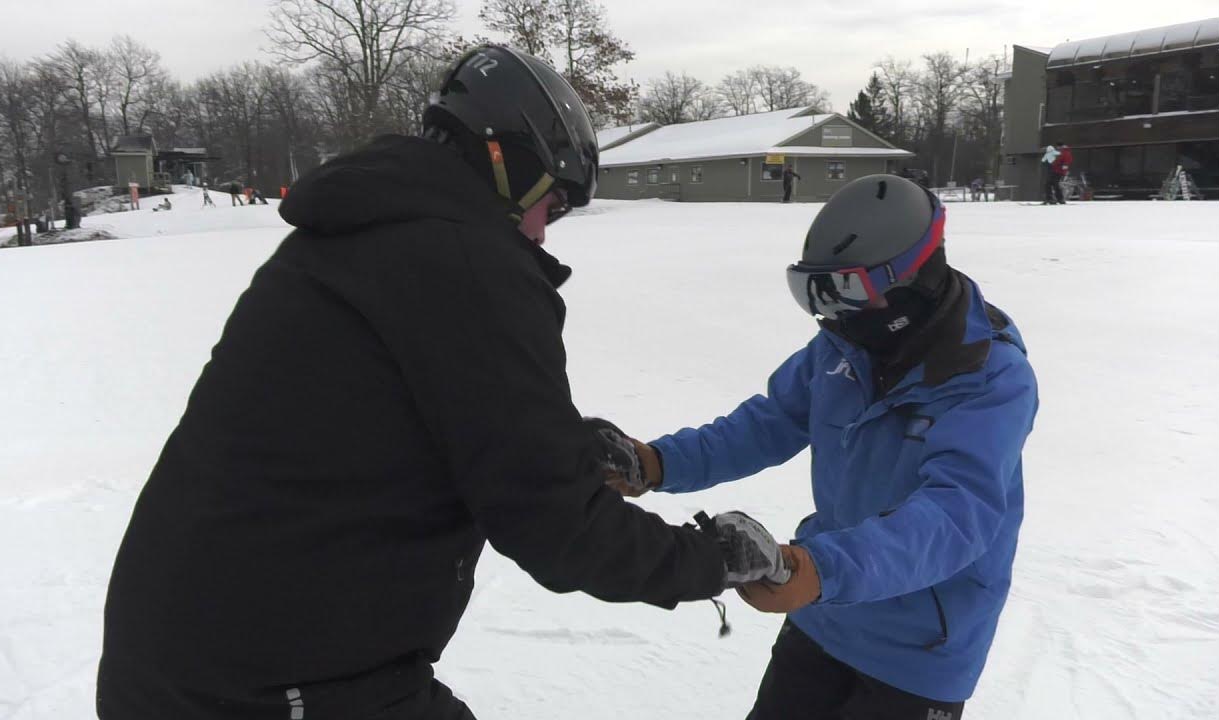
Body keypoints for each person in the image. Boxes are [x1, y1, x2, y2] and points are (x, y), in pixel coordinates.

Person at [97, 44, 796, 720]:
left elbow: (396, 415)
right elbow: (555, 526)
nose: (544, 235)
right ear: (509, 165)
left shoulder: (362, 230)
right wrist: (710, 560)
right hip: (272, 679)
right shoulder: (464, 263)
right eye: (550, 208)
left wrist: (564, 447)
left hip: (207, 648)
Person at [608, 174, 1038, 720]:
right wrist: (660, 463)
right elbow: (767, 423)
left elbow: (956, 517)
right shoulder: (845, 344)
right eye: (812, 291)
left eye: (845, 291)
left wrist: (820, 570)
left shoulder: (990, 378)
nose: (827, 314)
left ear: (915, 279)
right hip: (823, 615)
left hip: (918, 652)